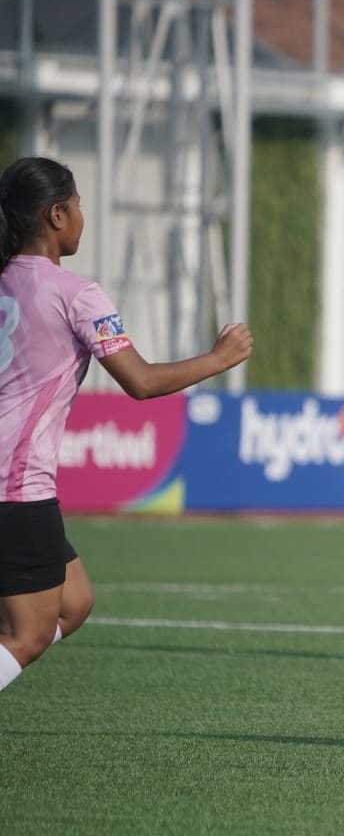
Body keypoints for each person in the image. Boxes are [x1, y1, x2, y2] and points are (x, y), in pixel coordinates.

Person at [0, 156, 253, 693]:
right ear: (56, 216)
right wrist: (219, 358)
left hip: (12, 486)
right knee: (28, 635)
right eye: (78, 207)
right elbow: (139, 381)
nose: (81, 218)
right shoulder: (76, 293)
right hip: (15, 488)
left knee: (74, 601)